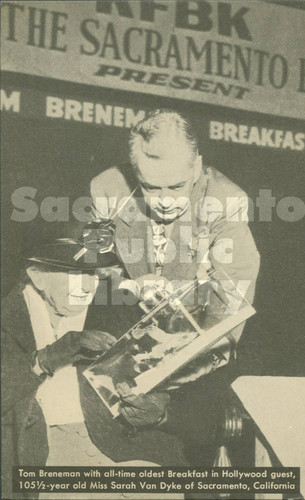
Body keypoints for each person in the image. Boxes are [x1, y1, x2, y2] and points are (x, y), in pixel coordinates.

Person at [1, 222, 186, 500]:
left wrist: (157, 407)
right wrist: (45, 359)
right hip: (40, 460)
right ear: (37, 276)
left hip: (116, 451)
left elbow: (163, 385)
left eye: (94, 274)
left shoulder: (112, 312)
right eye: (77, 273)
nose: (88, 286)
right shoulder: (7, 320)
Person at [90, 109, 260, 380]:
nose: (165, 201)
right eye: (151, 188)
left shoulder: (226, 201)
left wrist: (183, 366)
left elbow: (231, 296)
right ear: (135, 172)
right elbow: (88, 263)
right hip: (121, 326)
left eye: (176, 187)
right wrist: (128, 285)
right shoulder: (107, 188)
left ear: (196, 167)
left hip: (197, 336)